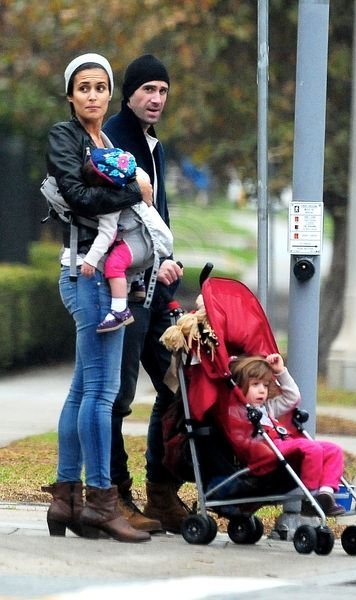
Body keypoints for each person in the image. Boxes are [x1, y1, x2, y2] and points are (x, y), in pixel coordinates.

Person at [41, 53, 153, 543]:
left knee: (83, 390)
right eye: (83, 87)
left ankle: (66, 499)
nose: (92, 95)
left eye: (100, 87)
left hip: (103, 273)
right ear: (70, 95)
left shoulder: (107, 142)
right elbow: (80, 198)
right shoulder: (64, 136)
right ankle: (102, 502)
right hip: (87, 273)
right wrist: (133, 190)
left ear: (110, 94)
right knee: (102, 393)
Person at [103, 54, 186, 533]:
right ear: (129, 93)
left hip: (156, 291)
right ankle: (114, 493)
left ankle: (162, 491)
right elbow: (118, 219)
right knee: (116, 397)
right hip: (125, 290)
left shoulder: (154, 145)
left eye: (163, 91)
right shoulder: (114, 139)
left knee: (178, 385)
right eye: (148, 89)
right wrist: (154, 258)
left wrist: (168, 261)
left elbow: (159, 218)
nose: (156, 99)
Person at [229, 353, 346, 516]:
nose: (262, 390)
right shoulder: (237, 411)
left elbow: (293, 398)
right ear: (239, 387)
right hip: (264, 452)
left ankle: (325, 494)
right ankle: (310, 497)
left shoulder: (268, 408)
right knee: (310, 448)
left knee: (333, 449)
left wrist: (281, 372)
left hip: (282, 445)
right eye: (255, 384)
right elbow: (238, 438)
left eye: (265, 385)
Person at [81, 148, 173, 333]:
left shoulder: (111, 202)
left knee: (114, 264)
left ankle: (119, 310)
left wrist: (91, 259)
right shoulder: (135, 178)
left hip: (146, 241)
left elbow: (106, 234)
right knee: (121, 252)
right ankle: (137, 283)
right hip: (151, 237)